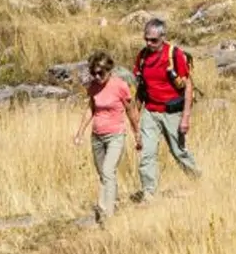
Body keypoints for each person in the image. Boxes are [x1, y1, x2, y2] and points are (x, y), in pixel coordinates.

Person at [131, 17, 200, 202]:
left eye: (153, 40)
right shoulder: (142, 57)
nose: (149, 43)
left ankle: (199, 181)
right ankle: (149, 193)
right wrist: (136, 118)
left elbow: (188, 86)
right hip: (150, 112)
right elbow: (140, 88)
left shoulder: (175, 55)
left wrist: (186, 117)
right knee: (147, 153)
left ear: (163, 37)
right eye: (146, 39)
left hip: (172, 112)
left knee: (179, 152)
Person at [71, 50, 141, 224]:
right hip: (97, 136)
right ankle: (112, 201)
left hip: (115, 135)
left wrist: (136, 132)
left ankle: (106, 213)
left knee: (108, 171)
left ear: (109, 70)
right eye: (93, 72)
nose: (97, 76)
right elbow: (91, 109)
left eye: (100, 72)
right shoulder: (93, 87)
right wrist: (80, 132)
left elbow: (131, 110)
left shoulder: (120, 86)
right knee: (103, 174)